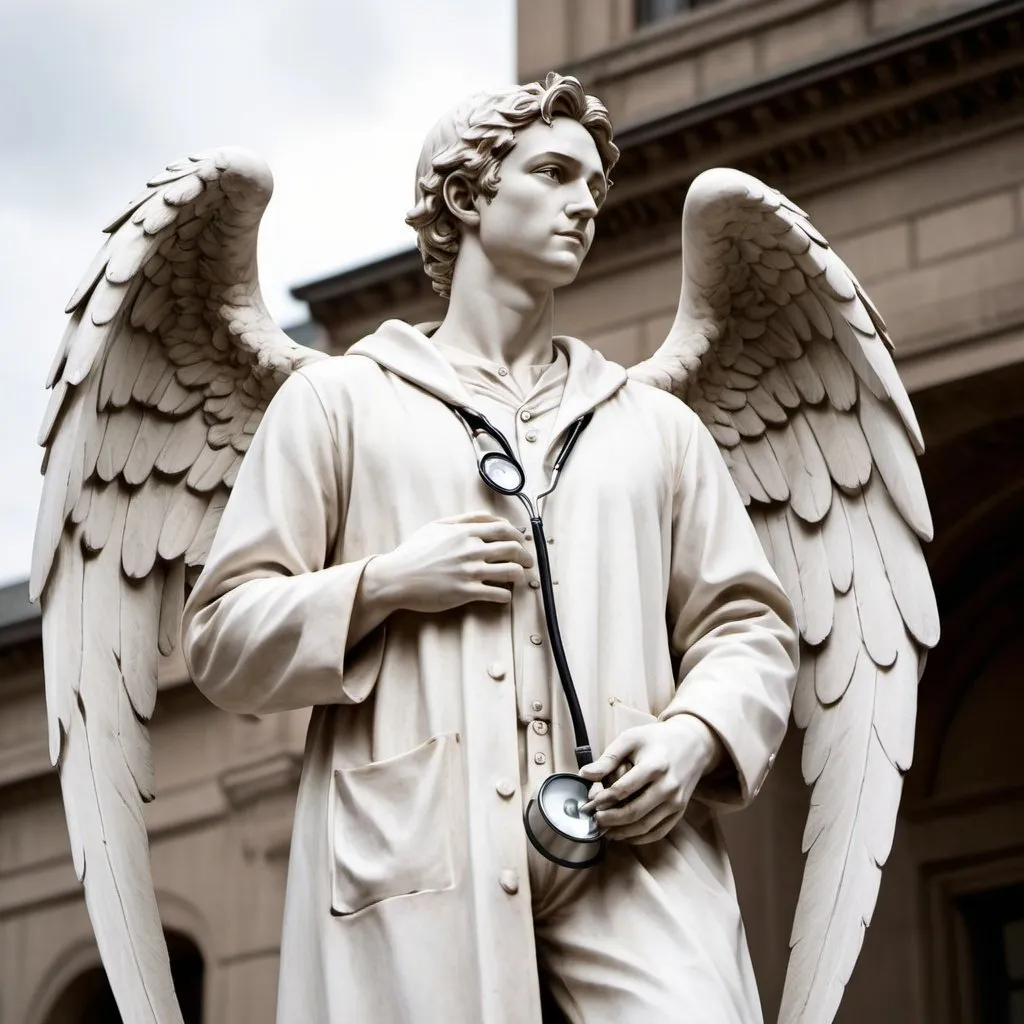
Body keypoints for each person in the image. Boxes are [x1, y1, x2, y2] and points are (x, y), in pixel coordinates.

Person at [181, 73, 798, 1024]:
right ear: (467, 196)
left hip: (635, 850)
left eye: (594, 183)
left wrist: (692, 737)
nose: (585, 203)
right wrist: (384, 585)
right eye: (552, 173)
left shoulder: (656, 427)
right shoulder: (339, 403)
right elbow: (221, 637)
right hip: (420, 847)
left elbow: (747, 626)